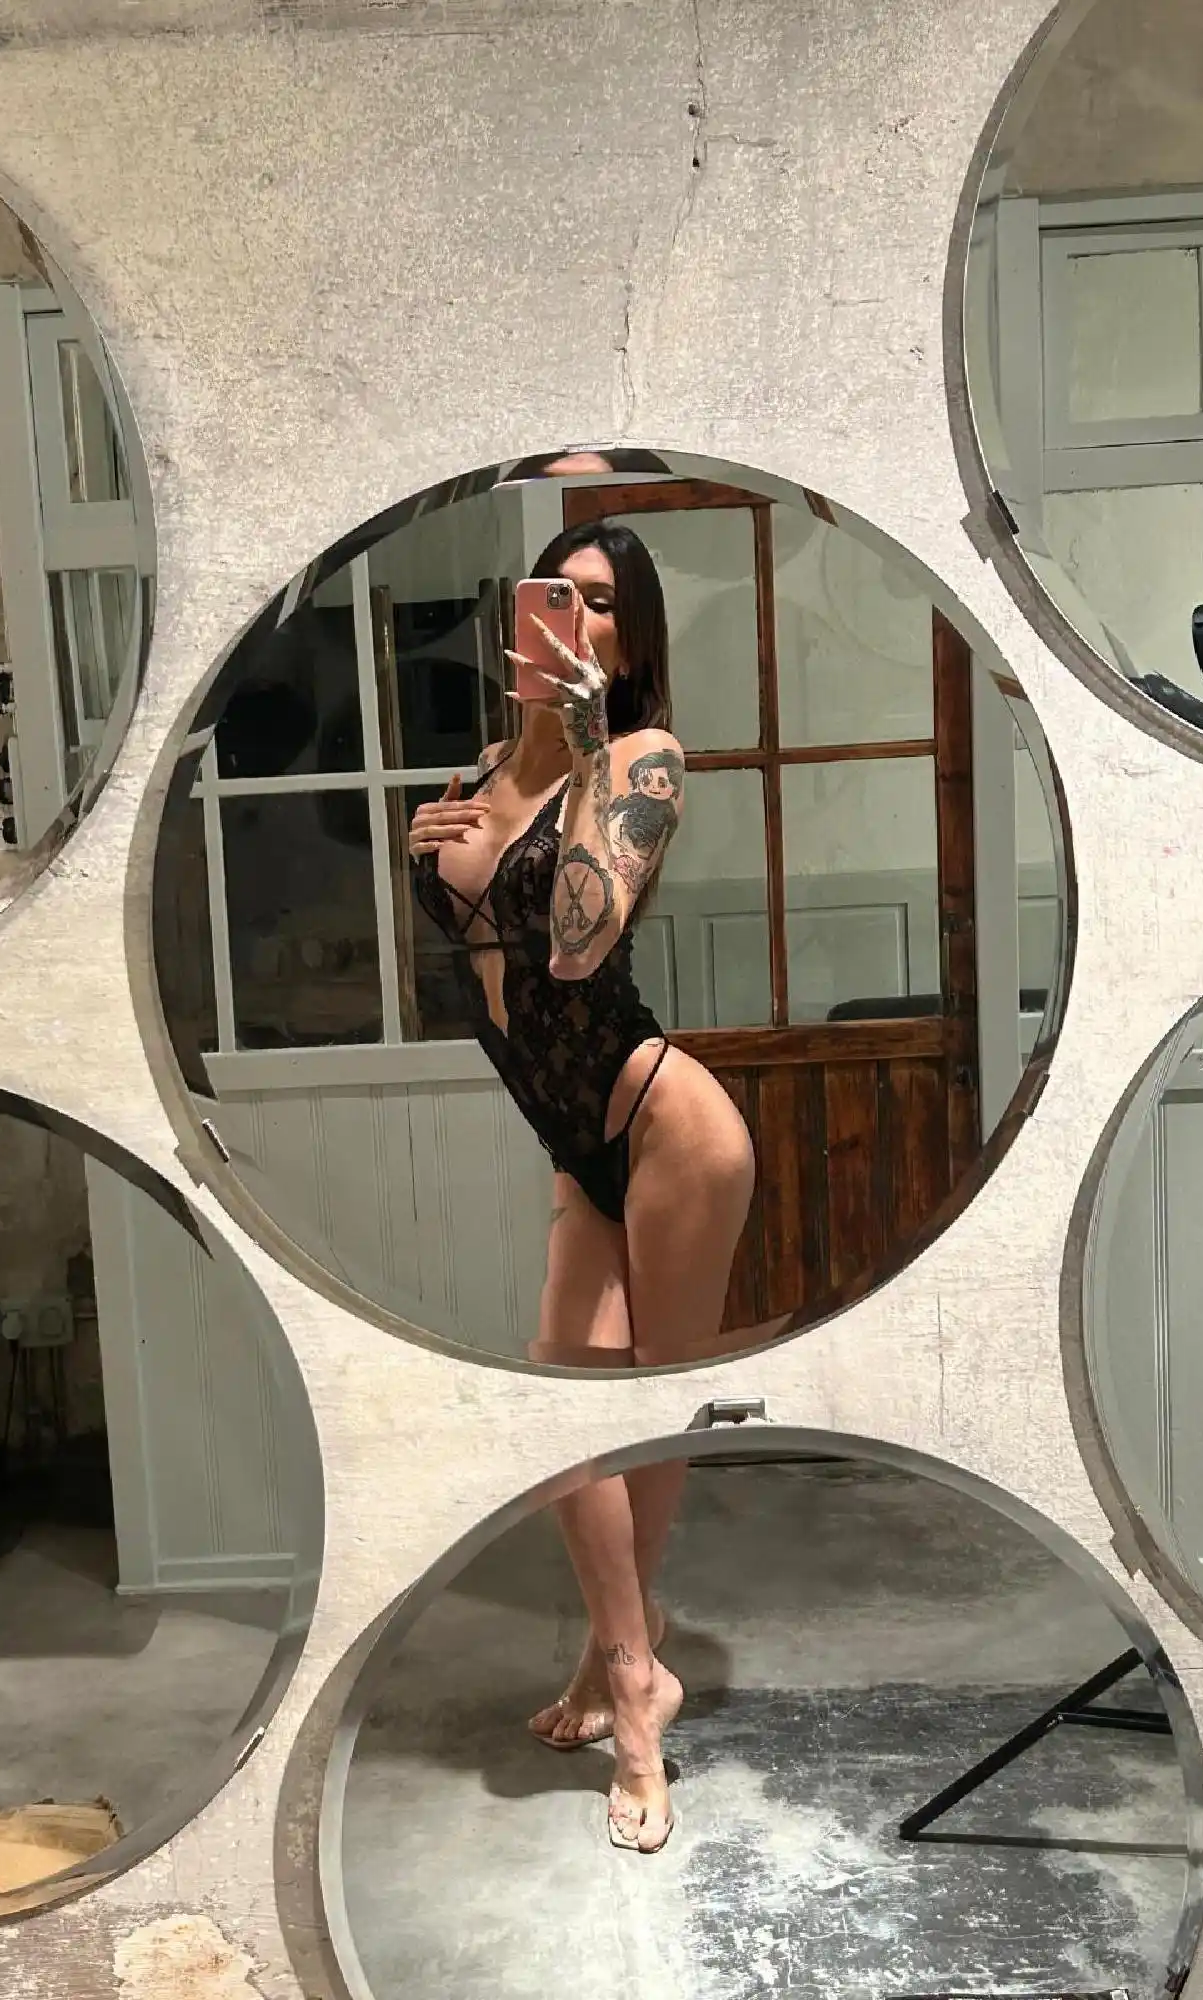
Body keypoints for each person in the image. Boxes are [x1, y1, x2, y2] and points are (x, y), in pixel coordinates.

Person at [409, 516, 756, 1853]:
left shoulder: (640, 760)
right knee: (569, 1415)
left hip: (667, 1128)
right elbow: (467, 944)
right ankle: (631, 1657)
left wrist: (583, 741)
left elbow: (574, 947)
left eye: (605, 604)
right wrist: (425, 841)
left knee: (644, 1414)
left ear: (635, 638)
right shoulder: (477, 776)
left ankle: (627, 1695)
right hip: (573, 1144)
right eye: (558, 594)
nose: (575, 617)